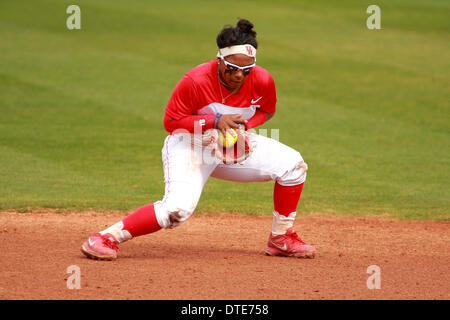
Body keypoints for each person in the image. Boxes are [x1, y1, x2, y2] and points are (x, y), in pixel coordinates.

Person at [81, 19, 315, 260]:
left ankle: (281, 238)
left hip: (231, 145)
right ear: (220, 60)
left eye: (246, 70)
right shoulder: (195, 81)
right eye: (232, 68)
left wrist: (246, 126)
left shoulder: (263, 79)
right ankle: (104, 237)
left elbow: (267, 110)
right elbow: (171, 123)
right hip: (190, 145)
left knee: (293, 166)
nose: (239, 76)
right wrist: (214, 122)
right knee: (176, 211)